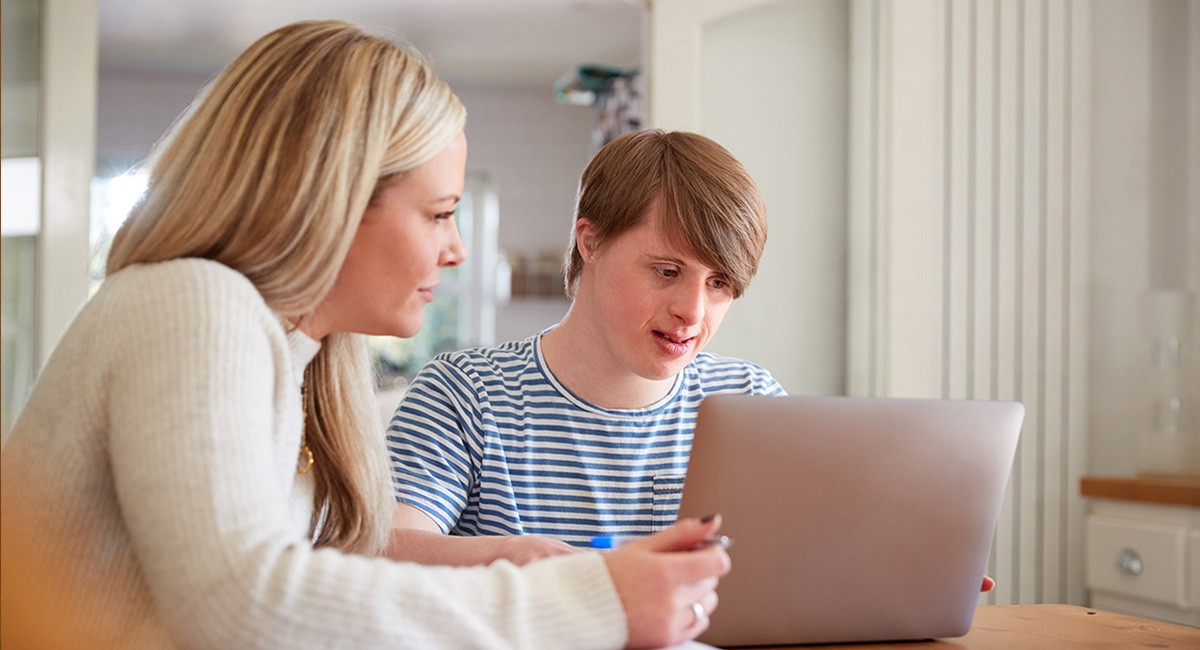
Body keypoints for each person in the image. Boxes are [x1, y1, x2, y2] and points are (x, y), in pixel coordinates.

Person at [0, 21, 730, 650]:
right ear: (333, 199)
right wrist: (592, 599)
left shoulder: (305, 358)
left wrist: (516, 560)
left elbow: (324, 585)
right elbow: (241, 608)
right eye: (439, 213)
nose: (457, 251)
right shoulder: (195, 303)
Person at [385, 129, 784, 567]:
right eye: (668, 271)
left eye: (719, 284)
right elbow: (383, 551)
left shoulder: (751, 401)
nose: (693, 312)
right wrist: (511, 557)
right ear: (590, 241)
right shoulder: (464, 394)